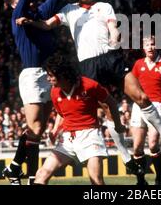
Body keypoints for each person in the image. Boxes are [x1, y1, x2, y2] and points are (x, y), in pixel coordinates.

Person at [16, 0, 161, 171]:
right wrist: (29, 22)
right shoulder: (68, 11)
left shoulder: (104, 6)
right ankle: (126, 157)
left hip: (110, 57)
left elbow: (113, 27)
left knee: (141, 96)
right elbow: (46, 25)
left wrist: (115, 36)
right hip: (88, 65)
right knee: (107, 109)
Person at [1, 0, 72, 185]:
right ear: (13, 6)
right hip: (32, 75)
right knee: (35, 129)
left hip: (49, 74)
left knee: (37, 131)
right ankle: (31, 177)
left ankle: (14, 169)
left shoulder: (39, 14)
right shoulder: (18, 17)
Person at [34, 53, 125, 185]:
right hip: (68, 139)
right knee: (42, 174)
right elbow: (62, 113)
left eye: (51, 75)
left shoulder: (89, 85)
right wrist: (55, 130)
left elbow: (110, 102)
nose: (48, 79)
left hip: (90, 136)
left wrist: (118, 124)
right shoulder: (54, 92)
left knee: (96, 180)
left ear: (63, 74)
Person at [130, 35, 161, 185]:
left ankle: (159, 179)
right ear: (143, 48)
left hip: (156, 106)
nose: (150, 47)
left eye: (152, 44)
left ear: (156, 46)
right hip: (138, 106)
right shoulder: (138, 64)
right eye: (147, 45)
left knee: (153, 144)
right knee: (137, 147)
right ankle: (141, 181)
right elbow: (131, 84)